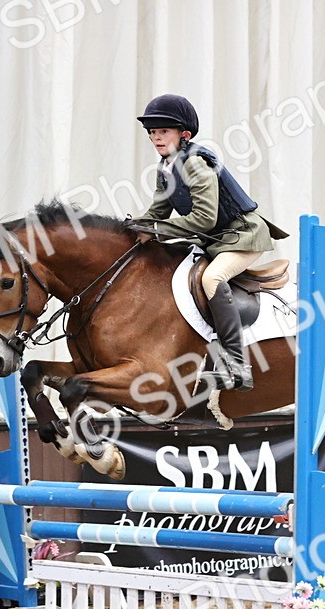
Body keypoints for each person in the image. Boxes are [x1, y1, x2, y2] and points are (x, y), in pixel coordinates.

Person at [129, 94, 288, 392]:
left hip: (243, 236)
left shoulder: (196, 164)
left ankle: (237, 362)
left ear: (184, 134)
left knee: (213, 278)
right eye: (152, 132)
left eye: (163, 131)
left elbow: (203, 218)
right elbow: (158, 212)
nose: (155, 138)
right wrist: (132, 229)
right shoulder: (165, 168)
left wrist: (156, 230)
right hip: (216, 240)